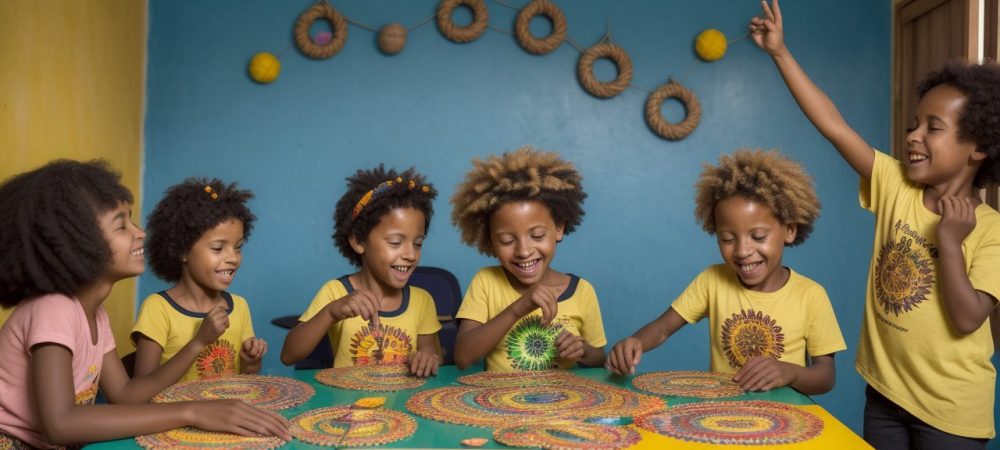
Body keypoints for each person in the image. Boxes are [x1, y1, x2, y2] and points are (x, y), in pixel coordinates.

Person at [751, 0, 1000, 446]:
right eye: (913, 124)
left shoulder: (991, 230)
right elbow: (834, 126)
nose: (912, 136)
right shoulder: (896, 185)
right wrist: (780, 53)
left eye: (933, 128)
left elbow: (967, 319)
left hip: (950, 412)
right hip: (885, 396)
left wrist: (949, 241)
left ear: (978, 147)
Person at [0, 160, 289, 449]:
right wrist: (193, 412)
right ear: (77, 242)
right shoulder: (54, 308)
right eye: (121, 226)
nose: (140, 233)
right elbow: (61, 424)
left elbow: (125, 395)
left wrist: (202, 406)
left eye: (132, 221)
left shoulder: (95, 314)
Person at [606, 149, 846, 395]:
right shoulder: (712, 281)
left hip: (787, 416)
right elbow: (663, 328)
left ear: (790, 231)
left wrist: (790, 372)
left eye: (758, 236)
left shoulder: (811, 295)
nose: (742, 251)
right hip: (722, 412)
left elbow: (826, 376)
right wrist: (635, 342)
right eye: (728, 239)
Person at [451, 146, 607, 371]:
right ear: (490, 241)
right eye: (507, 240)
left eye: (537, 236)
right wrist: (519, 307)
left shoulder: (582, 291)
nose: (524, 251)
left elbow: (600, 359)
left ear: (559, 229)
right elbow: (463, 357)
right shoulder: (486, 282)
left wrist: (582, 350)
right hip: (500, 395)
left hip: (564, 395)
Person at [281, 166, 441, 377]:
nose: (411, 254)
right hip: (348, 398)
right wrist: (330, 313)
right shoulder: (336, 292)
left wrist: (428, 357)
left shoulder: (422, 301)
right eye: (395, 242)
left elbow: (432, 352)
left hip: (404, 398)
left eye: (418, 243)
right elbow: (289, 355)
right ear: (358, 241)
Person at [132, 178, 265, 382]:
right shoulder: (158, 309)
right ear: (183, 250)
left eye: (238, 247)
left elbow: (244, 382)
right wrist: (200, 341)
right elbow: (141, 389)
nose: (233, 257)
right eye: (218, 248)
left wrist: (251, 364)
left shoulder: (240, 307)